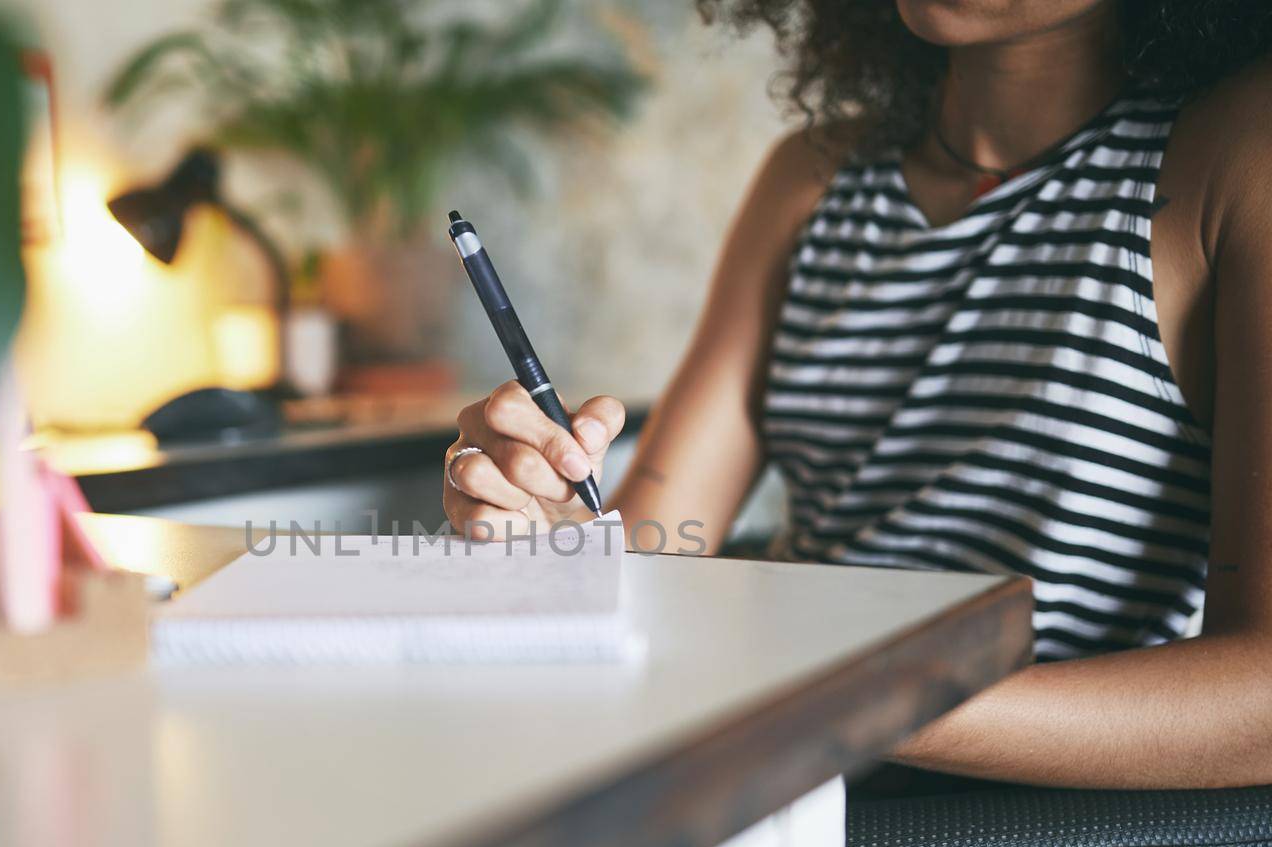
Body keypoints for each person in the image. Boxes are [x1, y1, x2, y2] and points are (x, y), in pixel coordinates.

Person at [442, 0, 1272, 789]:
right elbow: (658, 545)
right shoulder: (813, 178)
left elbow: (1258, 700)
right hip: (768, 778)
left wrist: (833, 696)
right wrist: (556, 532)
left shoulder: (1232, 155)